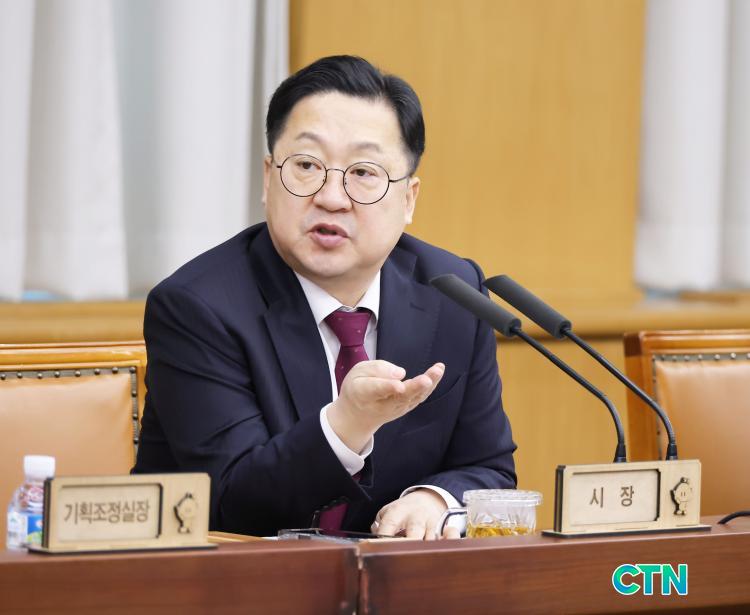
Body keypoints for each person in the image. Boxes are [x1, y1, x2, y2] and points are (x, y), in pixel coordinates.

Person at [133, 55, 516, 539]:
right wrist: (346, 425)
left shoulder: (453, 292)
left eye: (364, 173)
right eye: (307, 165)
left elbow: (489, 468)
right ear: (268, 178)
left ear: (408, 199)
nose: (332, 197)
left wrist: (434, 498)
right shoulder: (197, 308)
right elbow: (233, 504)